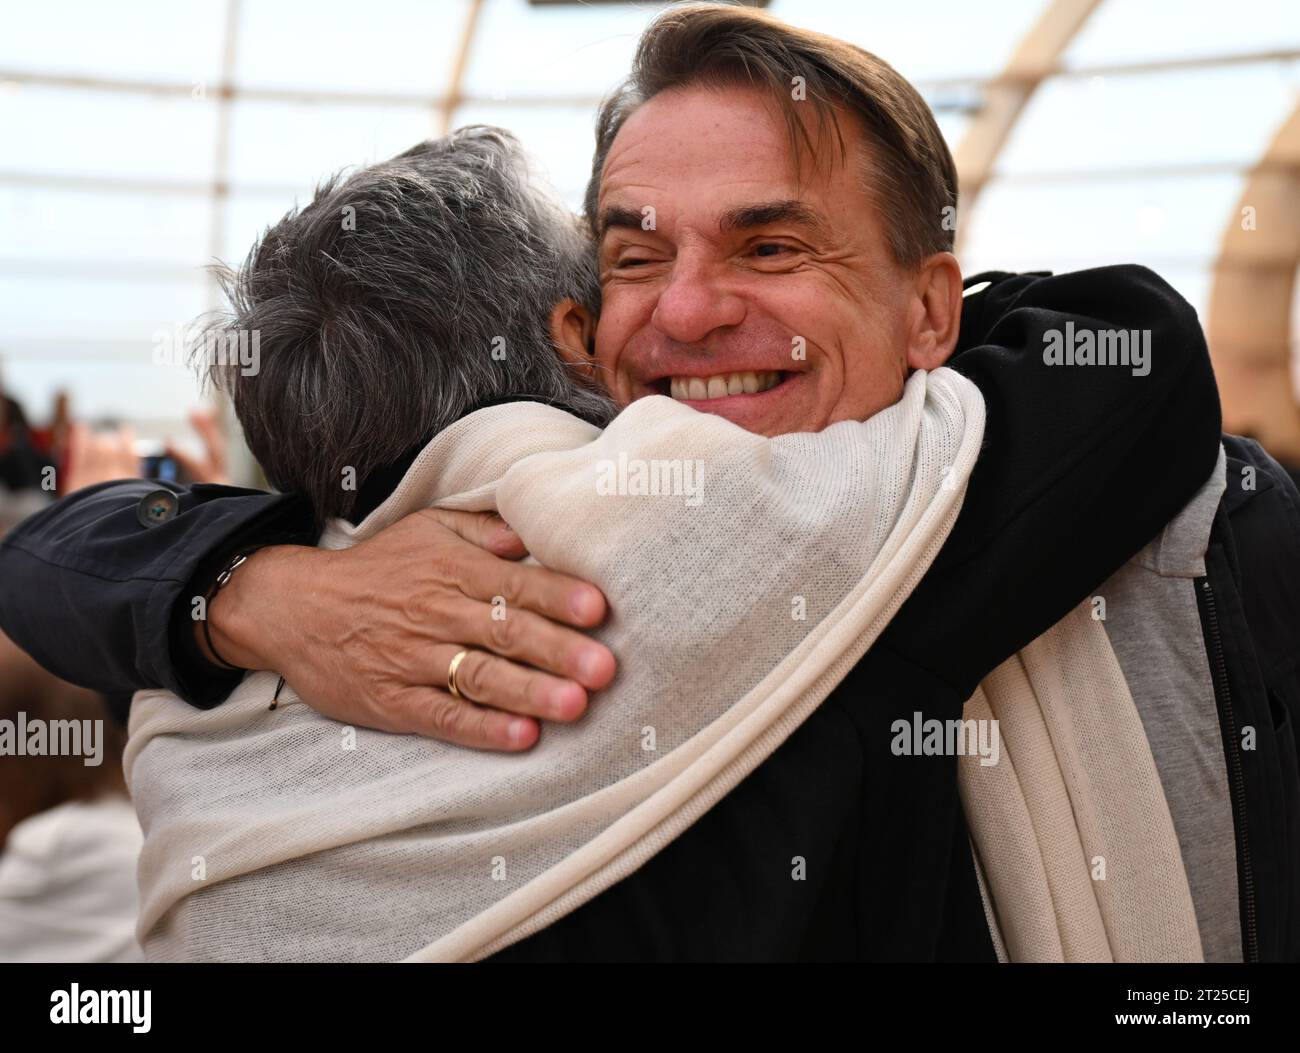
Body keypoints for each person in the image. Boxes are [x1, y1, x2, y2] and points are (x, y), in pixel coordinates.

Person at [2, 5, 1297, 960]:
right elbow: (1132, 343)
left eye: (769, 242)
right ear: (566, 345)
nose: (681, 308)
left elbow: (43, 552)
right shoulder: (795, 538)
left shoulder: (199, 715)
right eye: (625, 260)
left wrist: (235, 586)